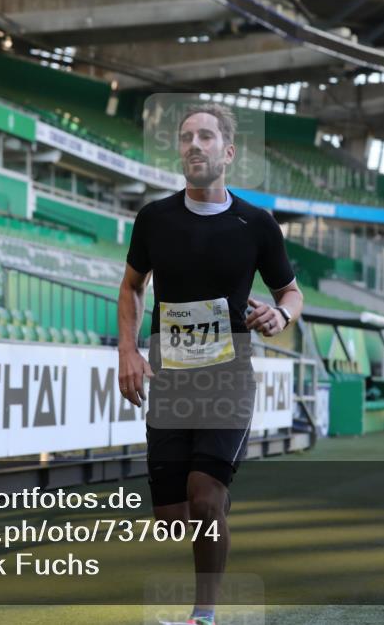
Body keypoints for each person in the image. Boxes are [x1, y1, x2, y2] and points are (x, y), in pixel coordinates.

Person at [117, 103, 303, 625]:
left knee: (203, 498)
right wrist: (128, 349)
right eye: (185, 138)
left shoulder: (256, 224)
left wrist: (280, 315)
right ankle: (215, 509)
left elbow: (290, 292)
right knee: (175, 518)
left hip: (229, 376)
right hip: (170, 379)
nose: (193, 145)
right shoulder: (154, 219)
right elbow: (132, 286)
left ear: (228, 151)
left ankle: (204, 614)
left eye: (205, 136)